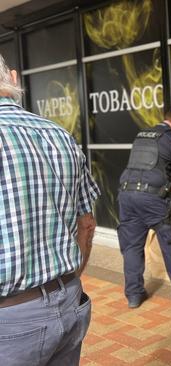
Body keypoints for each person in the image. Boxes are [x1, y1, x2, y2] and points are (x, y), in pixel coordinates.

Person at [0, 53, 100, 366]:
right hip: (70, 300)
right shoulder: (59, 135)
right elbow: (86, 223)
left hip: (9, 320)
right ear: (14, 79)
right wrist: (69, 278)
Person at [117, 109, 171, 308]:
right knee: (170, 242)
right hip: (153, 201)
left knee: (131, 247)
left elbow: (148, 168)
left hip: (126, 196)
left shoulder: (142, 136)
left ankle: (134, 295)